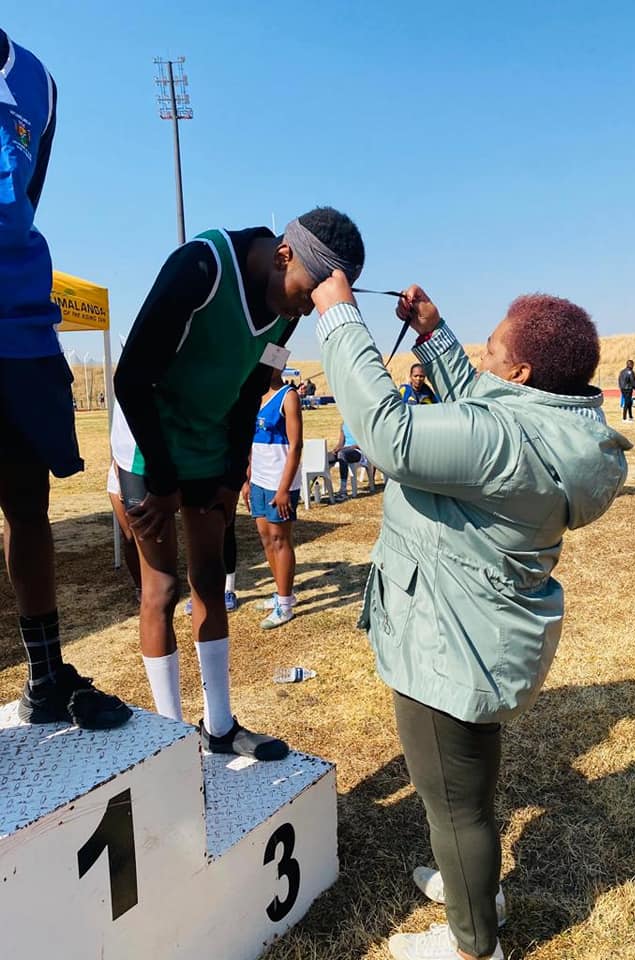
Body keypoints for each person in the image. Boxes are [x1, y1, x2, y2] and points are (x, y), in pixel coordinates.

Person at [311, 272, 630, 960]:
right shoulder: (551, 429)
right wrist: (433, 333)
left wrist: (340, 319)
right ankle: (472, 890)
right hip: (484, 637)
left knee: (453, 808)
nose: (481, 359)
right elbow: (485, 404)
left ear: (520, 372)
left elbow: (390, 435)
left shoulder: (505, 441)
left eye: (491, 350)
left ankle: (474, 943)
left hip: (447, 643)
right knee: (469, 790)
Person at [112, 207, 364, 760]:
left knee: (210, 577)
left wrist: (231, 477)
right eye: (307, 295)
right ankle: (170, 743)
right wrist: (163, 479)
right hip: (148, 439)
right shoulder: (201, 267)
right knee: (162, 588)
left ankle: (219, 728)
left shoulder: (288, 309)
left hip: (209, 441)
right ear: (283, 256)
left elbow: (251, 390)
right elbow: (130, 377)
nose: (306, 310)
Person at [0, 30, 130, 729]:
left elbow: (25, 198)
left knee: (28, 503)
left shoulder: (39, 82)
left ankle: (45, 675)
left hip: (20, 324)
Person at [243, 367, 303, 629]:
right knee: (266, 538)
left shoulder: (288, 396)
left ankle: (285, 605)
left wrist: (284, 489)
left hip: (280, 481)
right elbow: (249, 443)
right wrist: (247, 479)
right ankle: (282, 592)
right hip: (259, 479)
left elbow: (296, 445)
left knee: (280, 539)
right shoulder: (254, 397)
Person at [107, 460, 142, 602]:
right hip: (121, 478)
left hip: (147, 476)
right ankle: (140, 586)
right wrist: (122, 481)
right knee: (130, 537)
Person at [328, 421, 362, 499]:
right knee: (325, 457)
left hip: (357, 451)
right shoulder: (344, 424)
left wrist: (348, 448)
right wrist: (336, 449)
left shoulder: (360, 422)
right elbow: (341, 443)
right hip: (344, 450)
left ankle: (343, 490)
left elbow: (363, 443)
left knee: (342, 454)